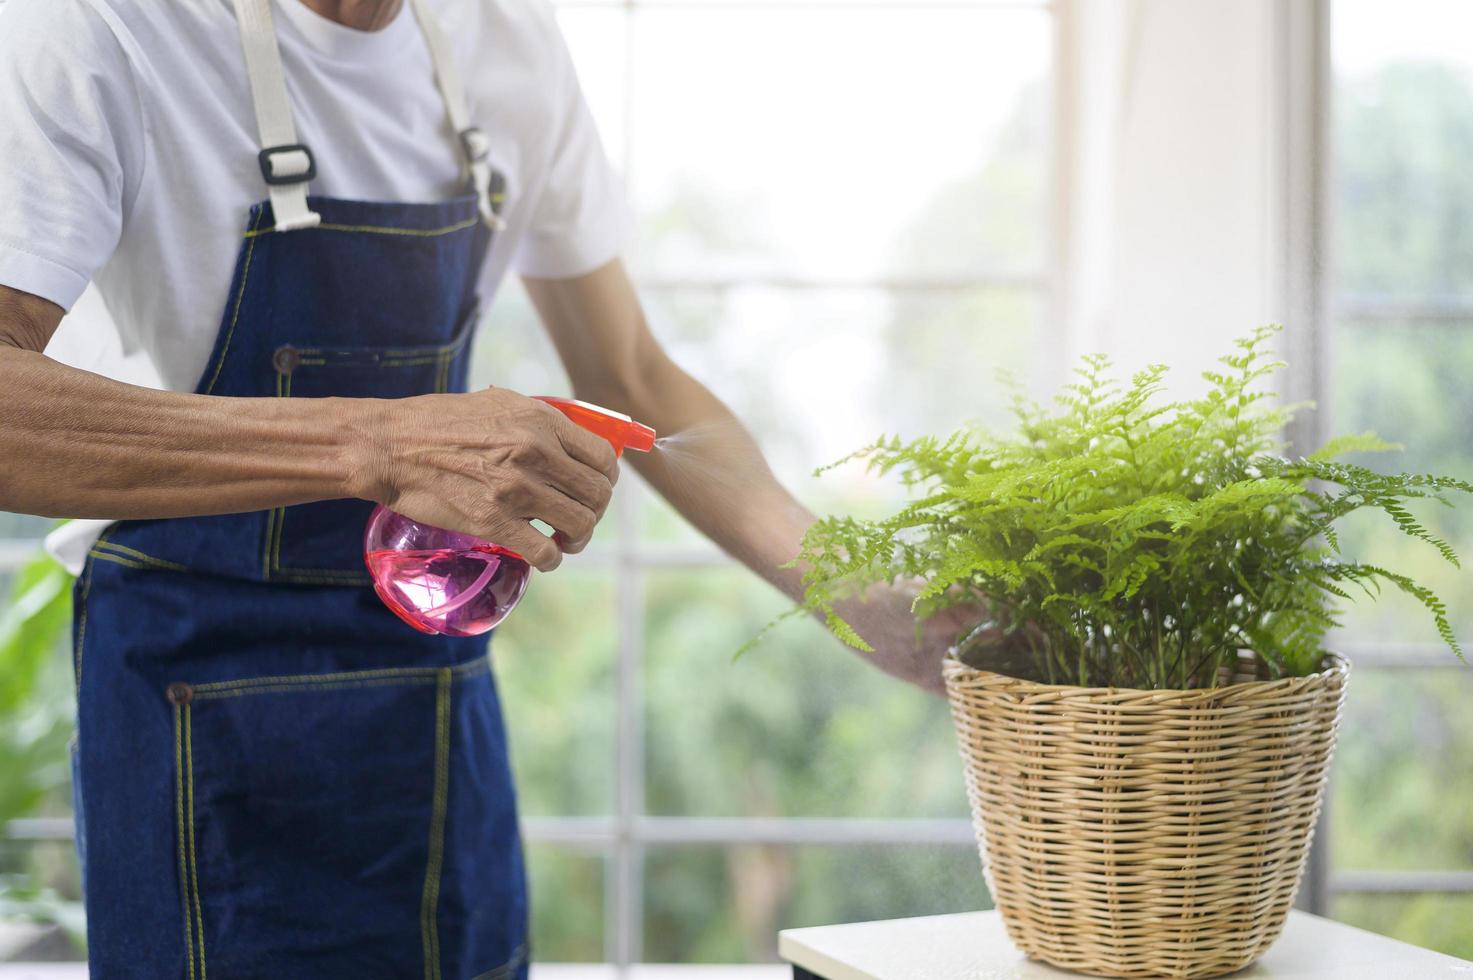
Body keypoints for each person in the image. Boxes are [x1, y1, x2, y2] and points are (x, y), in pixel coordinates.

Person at [0, 0, 976, 975]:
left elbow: (632, 378)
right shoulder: (100, 28)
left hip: (432, 715)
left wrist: (861, 594)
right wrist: (372, 437)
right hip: (194, 723)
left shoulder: (505, 38)